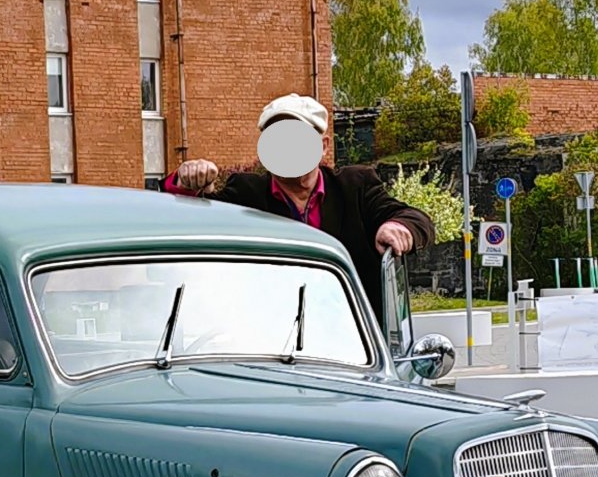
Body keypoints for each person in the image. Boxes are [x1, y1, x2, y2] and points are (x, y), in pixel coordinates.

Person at [162, 93, 434, 324]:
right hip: (273, 343)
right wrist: (187, 181)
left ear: (323, 145)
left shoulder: (355, 187)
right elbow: (192, 222)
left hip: (354, 343)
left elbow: (417, 219)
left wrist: (397, 227)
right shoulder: (247, 192)